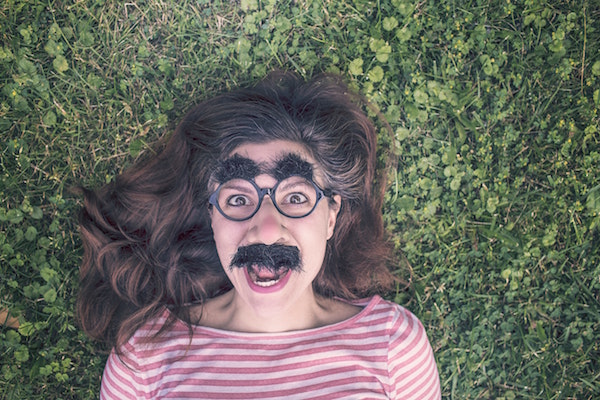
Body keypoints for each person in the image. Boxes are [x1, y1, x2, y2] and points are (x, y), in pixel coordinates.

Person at [77, 71, 441, 399]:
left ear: (331, 216)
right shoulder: (145, 357)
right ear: (212, 217)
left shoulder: (393, 345)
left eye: (296, 197)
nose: (267, 230)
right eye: (238, 198)